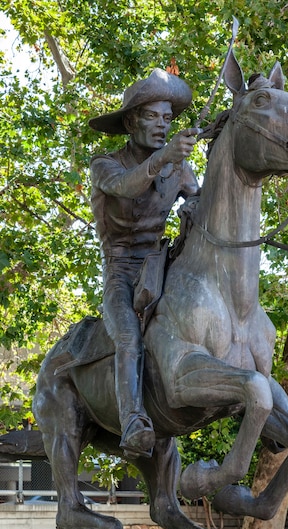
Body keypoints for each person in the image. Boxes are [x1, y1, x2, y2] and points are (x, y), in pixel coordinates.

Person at [89, 69, 199, 459]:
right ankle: (133, 419)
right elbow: (125, 186)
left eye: (168, 119)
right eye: (153, 117)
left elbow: (199, 206)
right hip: (121, 271)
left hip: (160, 267)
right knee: (127, 337)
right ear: (132, 121)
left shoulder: (180, 169)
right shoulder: (105, 163)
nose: (162, 125)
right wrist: (163, 159)